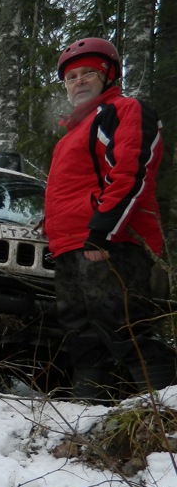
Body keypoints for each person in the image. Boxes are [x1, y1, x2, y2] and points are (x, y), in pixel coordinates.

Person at [44, 37, 176, 401]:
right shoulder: (70, 135)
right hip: (72, 246)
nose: (79, 82)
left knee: (126, 326)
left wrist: (102, 232)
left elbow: (131, 173)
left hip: (113, 242)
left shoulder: (123, 110)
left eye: (89, 73)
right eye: (71, 77)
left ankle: (165, 412)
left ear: (109, 76)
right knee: (81, 333)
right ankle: (89, 409)